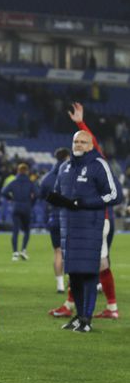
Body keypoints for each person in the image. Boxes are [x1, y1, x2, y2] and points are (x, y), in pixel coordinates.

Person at [47, 131, 121, 332]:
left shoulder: (99, 165)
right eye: (76, 141)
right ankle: (79, 318)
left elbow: (115, 195)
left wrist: (87, 203)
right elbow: (56, 192)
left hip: (90, 228)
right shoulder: (65, 167)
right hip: (68, 229)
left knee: (88, 274)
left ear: (91, 145)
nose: (78, 145)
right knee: (75, 275)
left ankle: (87, 320)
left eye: (83, 142)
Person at [40, 148, 70, 294]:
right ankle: (72, 283)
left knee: (57, 251)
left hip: (53, 218)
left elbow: (41, 195)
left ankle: (60, 286)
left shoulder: (46, 178)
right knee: (70, 251)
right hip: (68, 217)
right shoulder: (70, 173)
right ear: (66, 157)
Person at [1, 163, 38, 261]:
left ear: (18, 171)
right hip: (26, 208)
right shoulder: (30, 182)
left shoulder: (14, 182)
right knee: (26, 230)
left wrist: (11, 199)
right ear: (27, 171)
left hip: (16, 207)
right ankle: (23, 250)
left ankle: (15, 253)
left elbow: (3, 192)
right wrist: (31, 203)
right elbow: (37, 194)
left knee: (15, 231)